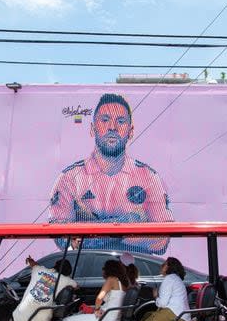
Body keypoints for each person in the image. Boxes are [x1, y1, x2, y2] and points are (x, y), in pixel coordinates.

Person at [48, 93, 174, 254]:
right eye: (105, 120)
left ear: (131, 131)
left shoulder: (149, 177)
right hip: (86, 272)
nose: (112, 127)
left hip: (135, 274)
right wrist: (128, 222)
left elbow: (161, 240)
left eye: (120, 121)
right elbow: (63, 240)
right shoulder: (69, 178)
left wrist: (91, 233)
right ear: (93, 129)